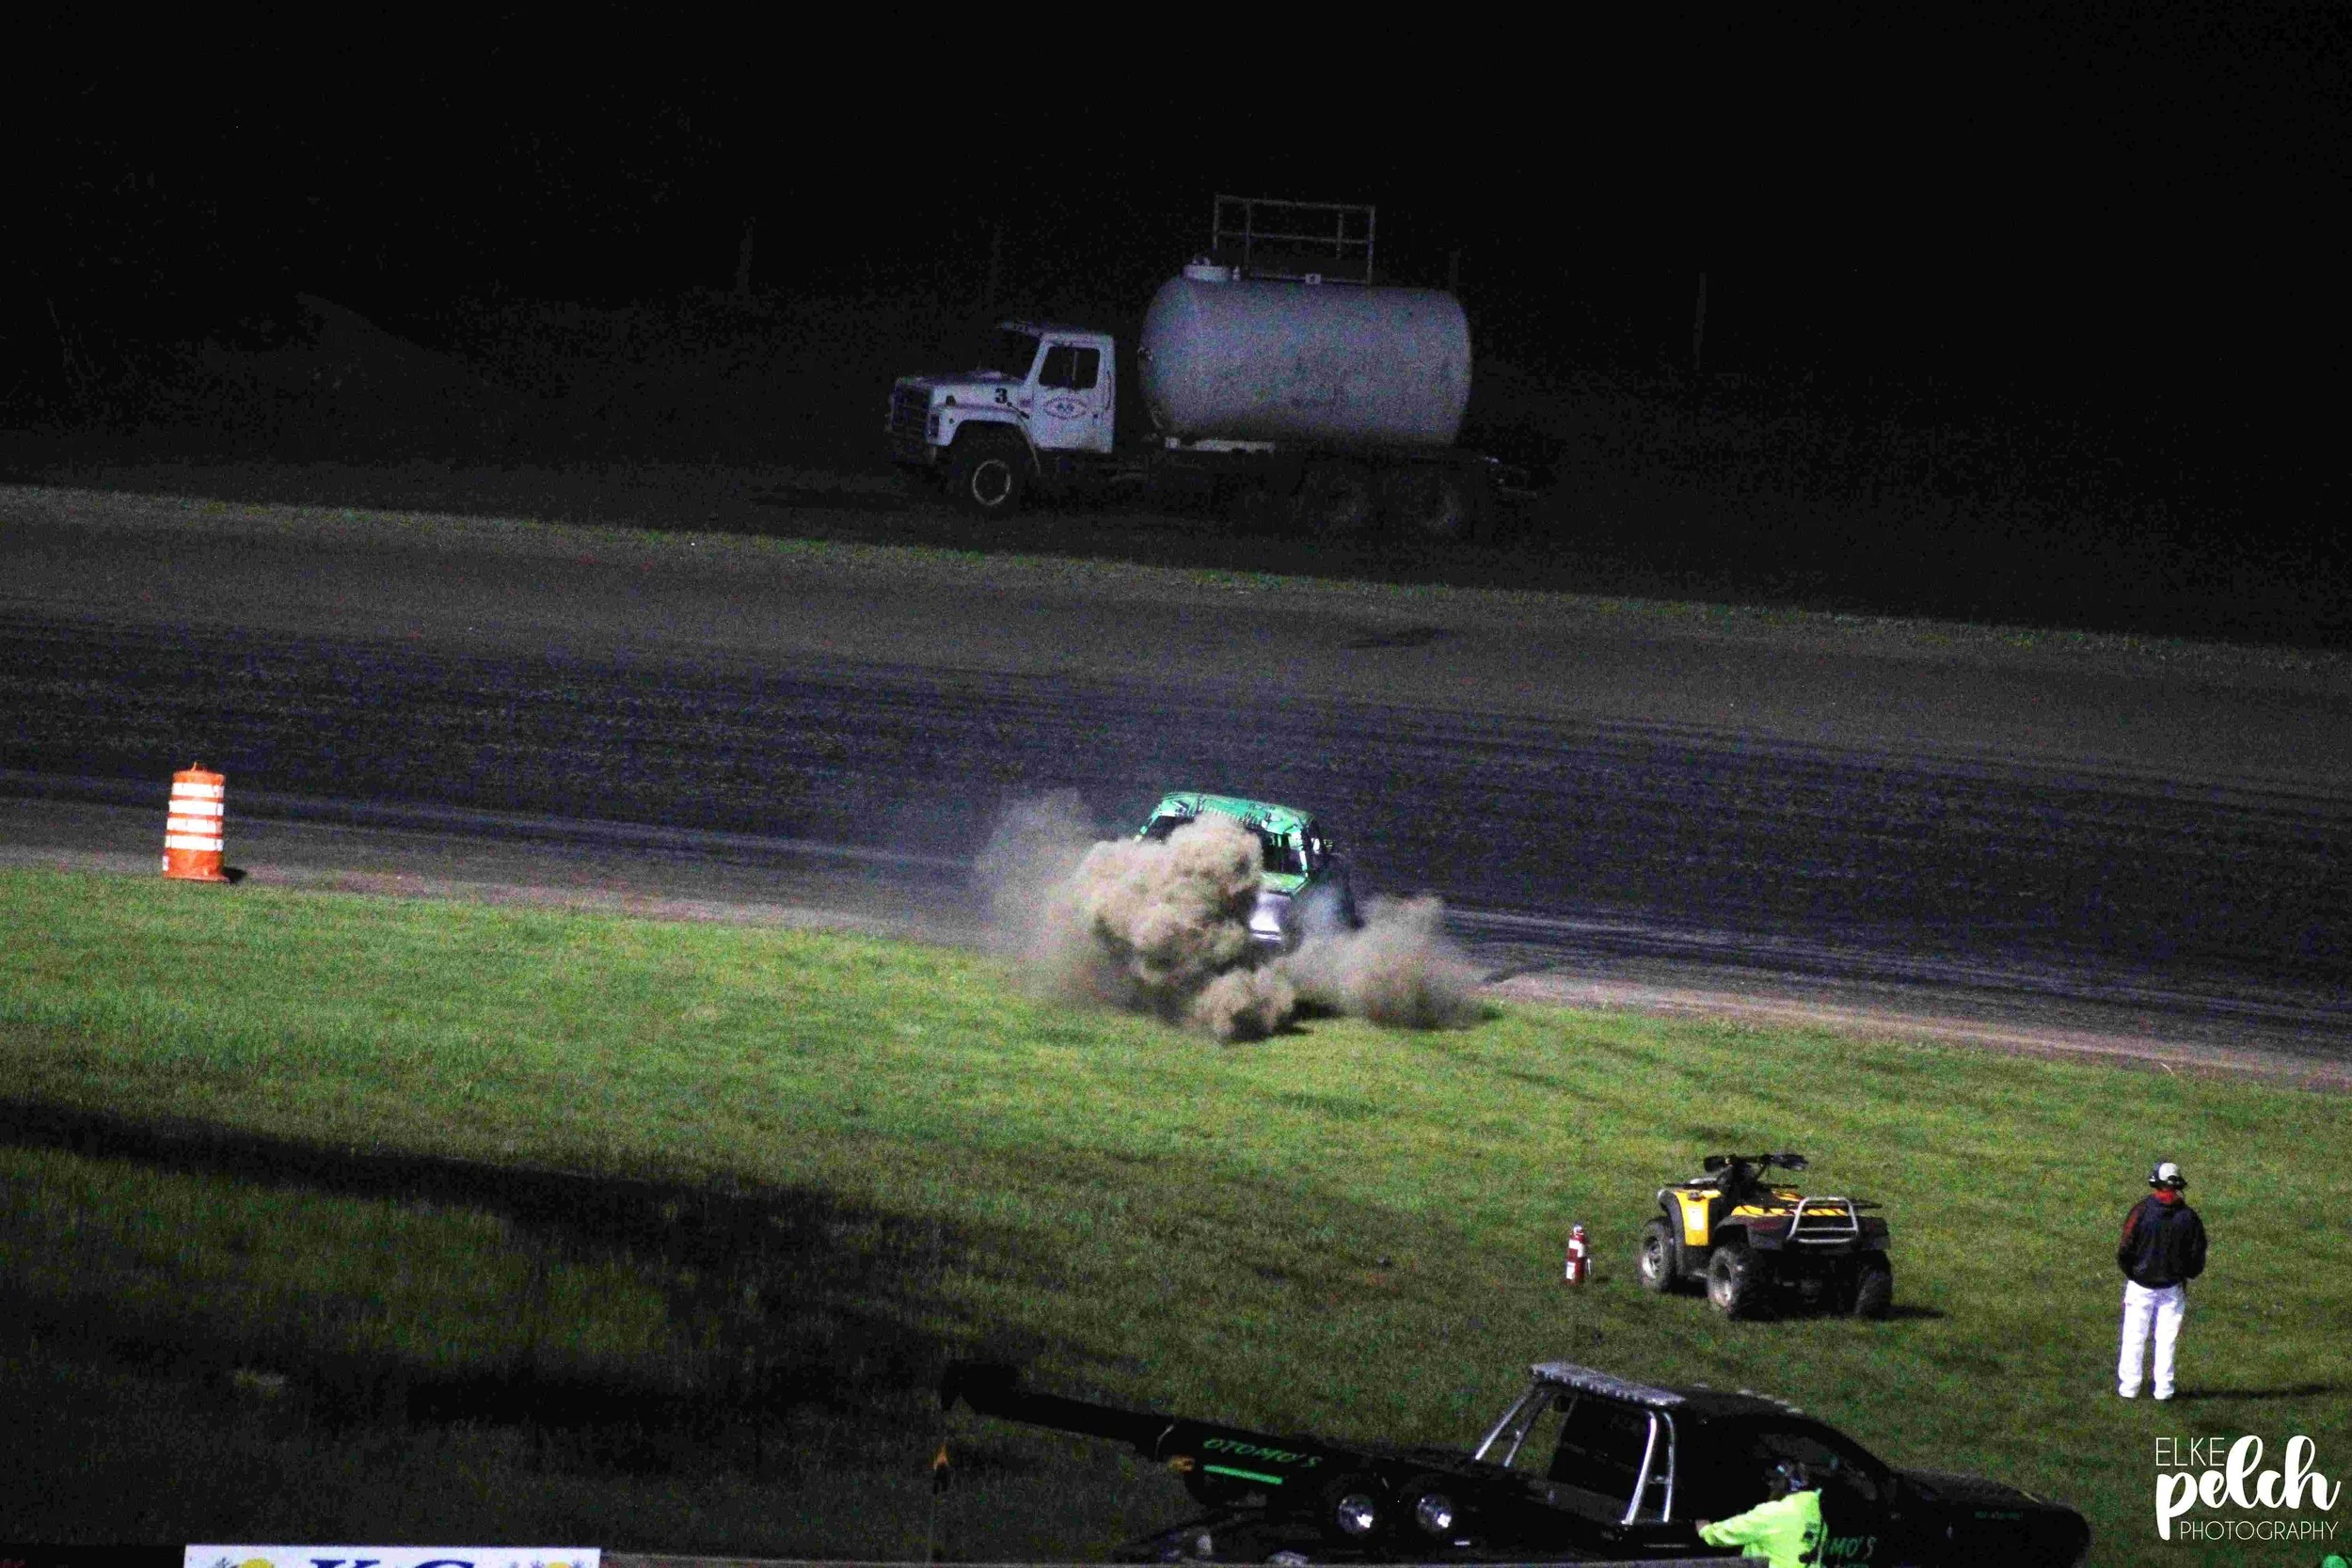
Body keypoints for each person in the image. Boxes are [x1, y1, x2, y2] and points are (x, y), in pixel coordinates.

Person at [2117, 1159, 2207, 1401]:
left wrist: (2134, 1273)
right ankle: (2164, 1389)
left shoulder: (2141, 1211)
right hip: (2172, 1287)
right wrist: (2184, 1273)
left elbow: (2124, 1250)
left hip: (2141, 1285)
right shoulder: (2189, 1218)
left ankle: (2129, 1388)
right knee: (2166, 1340)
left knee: (2134, 1338)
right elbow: (2197, 1257)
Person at [1697, 1459, 1825, 1567]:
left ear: (1789, 1484)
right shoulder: (1819, 1519)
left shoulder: (1776, 1512)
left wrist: (1706, 1530)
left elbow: (1734, 1531)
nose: (1771, 1484)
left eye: (1776, 1480)